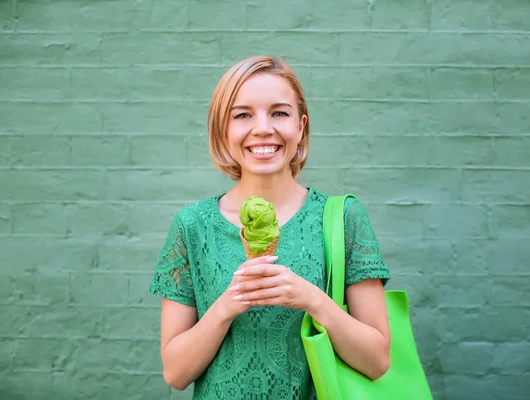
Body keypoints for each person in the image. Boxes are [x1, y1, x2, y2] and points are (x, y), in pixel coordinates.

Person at [149, 55, 391, 400]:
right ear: (223, 129)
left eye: (279, 112)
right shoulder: (193, 225)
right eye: (243, 114)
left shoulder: (342, 218)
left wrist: (312, 299)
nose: (262, 127)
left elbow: (377, 361)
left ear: (301, 126)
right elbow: (175, 373)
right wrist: (227, 305)